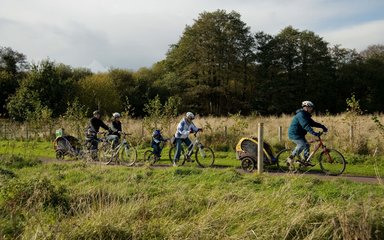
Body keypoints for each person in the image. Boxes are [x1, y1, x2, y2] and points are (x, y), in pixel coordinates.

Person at [287, 101, 328, 167]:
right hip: (294, 134)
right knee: (302, 144)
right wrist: (314, 133)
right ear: (305, 107)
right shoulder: (301, 115)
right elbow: (305, 125)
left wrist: (322, 126)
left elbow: (313, 123)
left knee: (307, 145)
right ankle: (290, 158)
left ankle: (305, 161)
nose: (311, 109)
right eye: (310, 107)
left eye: (312, 108)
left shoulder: (306, 115)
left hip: (300, 134)